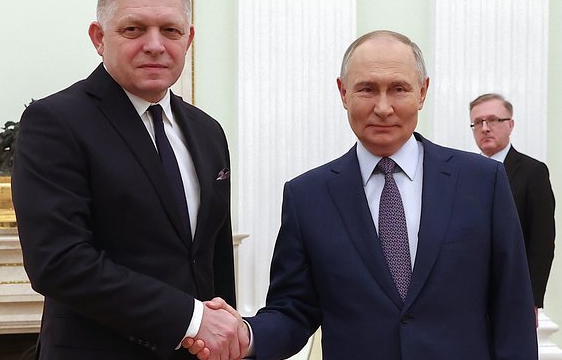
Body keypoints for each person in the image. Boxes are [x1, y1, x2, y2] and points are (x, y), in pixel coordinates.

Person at [185, 30, 538, 360]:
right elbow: (294, 310)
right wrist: (246, 335)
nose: (383, 107)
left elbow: (513, 307)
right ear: (343, 93)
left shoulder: (482, 182)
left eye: (398, 89)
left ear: (422, 92)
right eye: (367, 89)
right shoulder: (307, 197)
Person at [12, 0, 246, 360]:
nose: (155, 45)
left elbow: (213, 257)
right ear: (99, 38)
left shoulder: (208, 131)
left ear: (188, 39)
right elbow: (59, 262)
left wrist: (224, 337)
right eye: (134, 29)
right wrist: (192, 320)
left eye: (170, 30)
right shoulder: (54, 122)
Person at [469, 93, 556, 317]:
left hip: (514, 291)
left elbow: (541, 242)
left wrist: (532, 300)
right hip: (468, 293)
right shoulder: (465, 173)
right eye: (477, 122)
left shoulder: (533, 172)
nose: (485, 128)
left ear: (510, 124)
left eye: (493, 120)